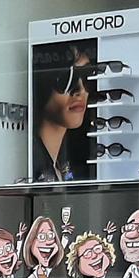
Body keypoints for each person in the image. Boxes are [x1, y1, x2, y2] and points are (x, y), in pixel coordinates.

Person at [29, 43, 96, 183]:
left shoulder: (67, 162)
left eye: (87, 76)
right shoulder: (27, 162)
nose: (80, 90)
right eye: (66, 79)